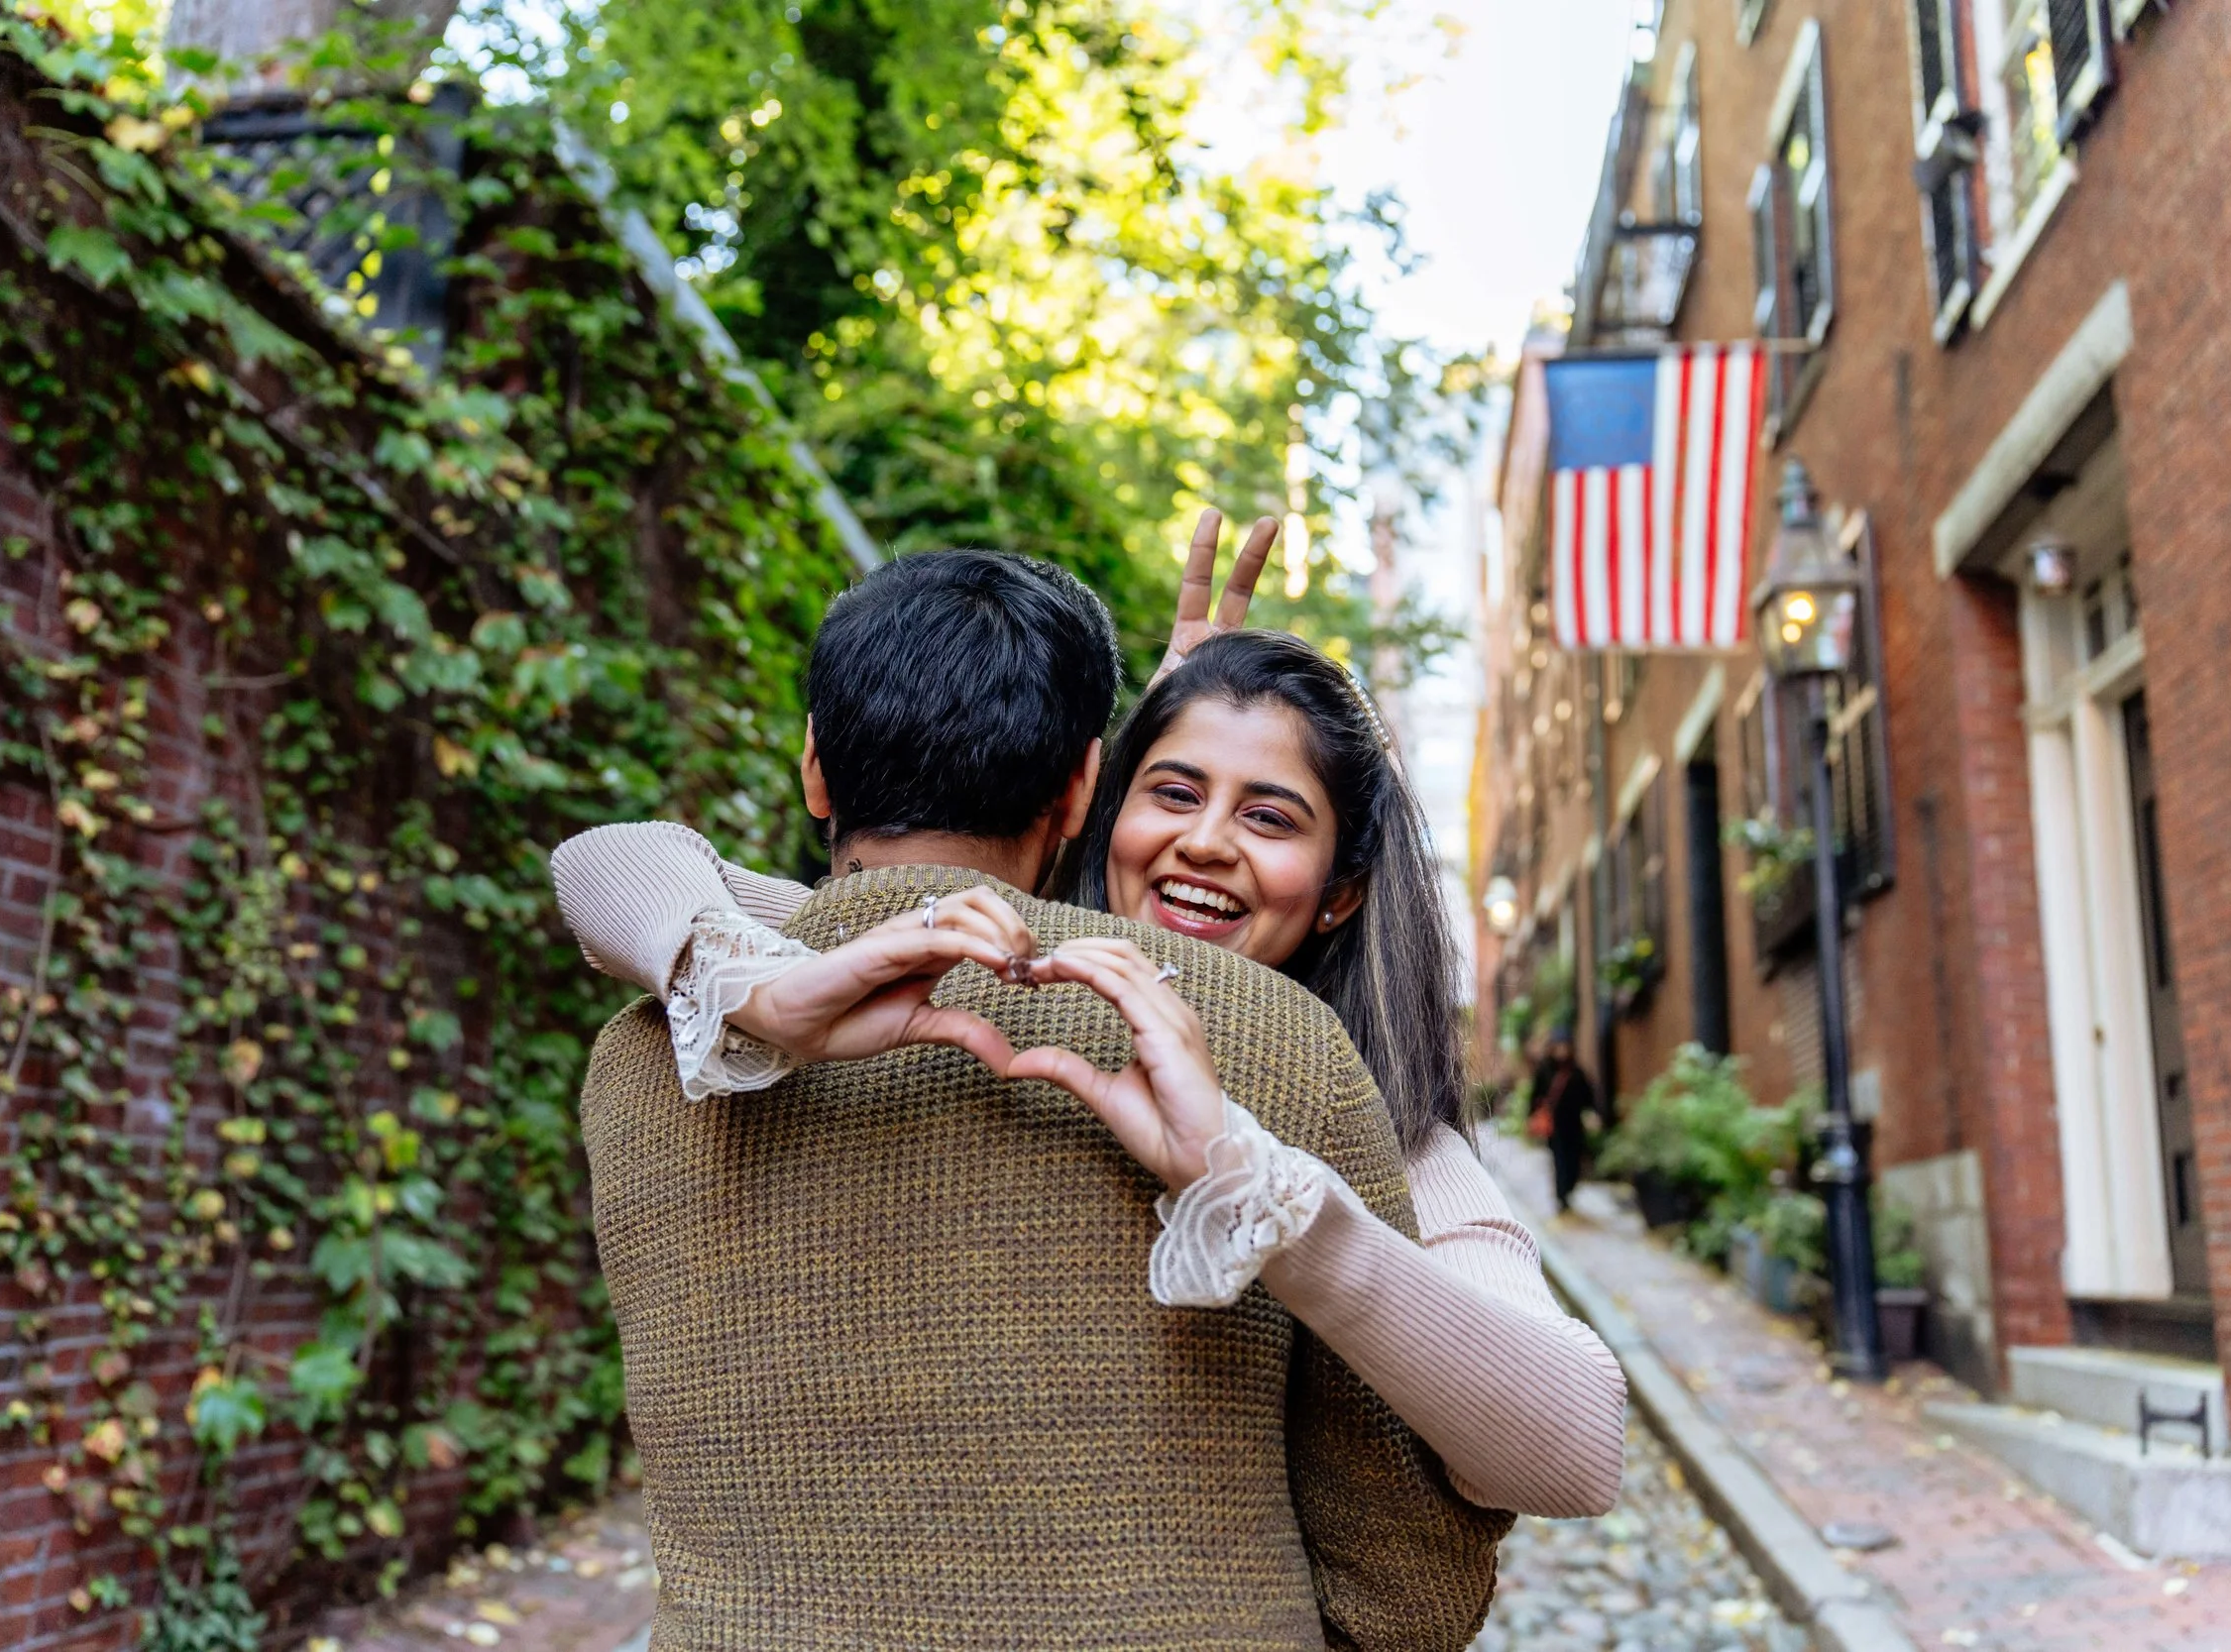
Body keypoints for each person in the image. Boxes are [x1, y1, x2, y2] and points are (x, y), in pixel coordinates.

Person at [554, 511, 1625, 1525]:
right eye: (1171, 790)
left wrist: (1258, 1194)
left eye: (1267, 814)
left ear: (1341, 889)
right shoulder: (951, 974)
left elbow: (1573, 1448)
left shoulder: (1379, 1120)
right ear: (1091, 802)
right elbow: (612, 860)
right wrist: (756, 994)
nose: (1205, 841)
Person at [1529, 1034, 1604, 1213]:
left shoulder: (1576, 1071)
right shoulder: (1545, 1070)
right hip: (1555, 1125)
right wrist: (1532, 1114)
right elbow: (1536, 1095)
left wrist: (1593, 1113)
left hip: (1574, 1123)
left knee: (1574, 1158)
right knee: (1559, 1159)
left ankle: (1568, 1188)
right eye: (1559, 1046)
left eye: (1565, 1046)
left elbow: (1588, 1095)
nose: (1562, 1051)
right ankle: (1561, 1195)